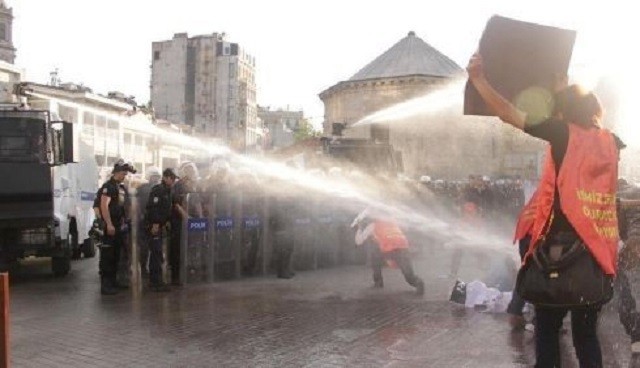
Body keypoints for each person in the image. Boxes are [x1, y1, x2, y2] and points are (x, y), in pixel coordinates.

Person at [467, 53, 624, 367]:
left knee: (548, 333)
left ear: (564, 113)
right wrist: (563, 92)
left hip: (560, 254)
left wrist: (479, 80)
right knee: (586, 337)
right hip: (596, 256)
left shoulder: (563, 134)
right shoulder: (612, 142)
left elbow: (509, 113)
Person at [352, 207, 425, 295]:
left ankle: (378, 282)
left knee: (374, 256)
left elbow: (359, 241)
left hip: (389, 250)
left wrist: (359, 228)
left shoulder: (373, 225)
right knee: (409, 276)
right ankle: (417, 282)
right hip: (403, 248)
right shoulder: (392, 222)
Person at [98, 160, 136, 295]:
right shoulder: (108, 187)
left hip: (120, 226)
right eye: (123, 174)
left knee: (116, 256)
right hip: (111, 226)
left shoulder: (121, 187)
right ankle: (106, 285)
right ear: (117, 173)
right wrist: (109, 224)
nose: (125, 176)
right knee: (108, 256)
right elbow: (103, 206)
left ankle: (113, 282)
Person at [144, 168, 179, 292]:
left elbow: (166, 209)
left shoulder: (168, 191)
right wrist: (155, 224)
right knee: (156, 252)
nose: (173, 181)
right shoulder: (158, 190)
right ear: (165, 177)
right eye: (171, 178)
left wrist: (166, 221)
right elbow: (153, 208)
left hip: (161, 225)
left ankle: (158, 280)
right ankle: (155, 282)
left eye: (174, 178)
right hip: (155, 225)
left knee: (158, 253)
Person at [136, 166, 162, 278]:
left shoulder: (160, 188)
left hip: (154, 221)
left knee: (154, 247)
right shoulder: (142, 188)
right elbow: (136, 204)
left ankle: (152, 270)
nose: (156, 179)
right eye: (154, 176)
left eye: (157, 176)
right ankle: (144, 269)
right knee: (145, 247)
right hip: (144, 222)